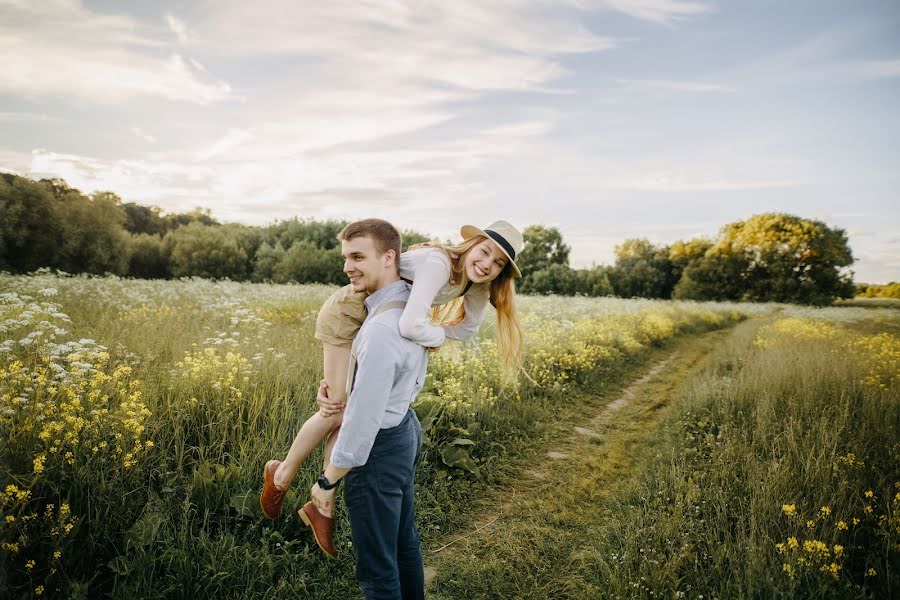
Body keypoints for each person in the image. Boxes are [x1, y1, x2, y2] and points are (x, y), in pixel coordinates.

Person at [260, 220, 524, 549]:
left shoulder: (477, 285)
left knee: (351, 410)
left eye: (498, 262)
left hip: (380, 316)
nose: (487, 264)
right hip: (350, 311)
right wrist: (432, 335)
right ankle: (282, 474)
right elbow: (412, 324)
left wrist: (433, 335)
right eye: (485, 251)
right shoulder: (437, 263)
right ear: (471, 245)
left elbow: (467, 329)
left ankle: (322, 502)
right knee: (336, 407)